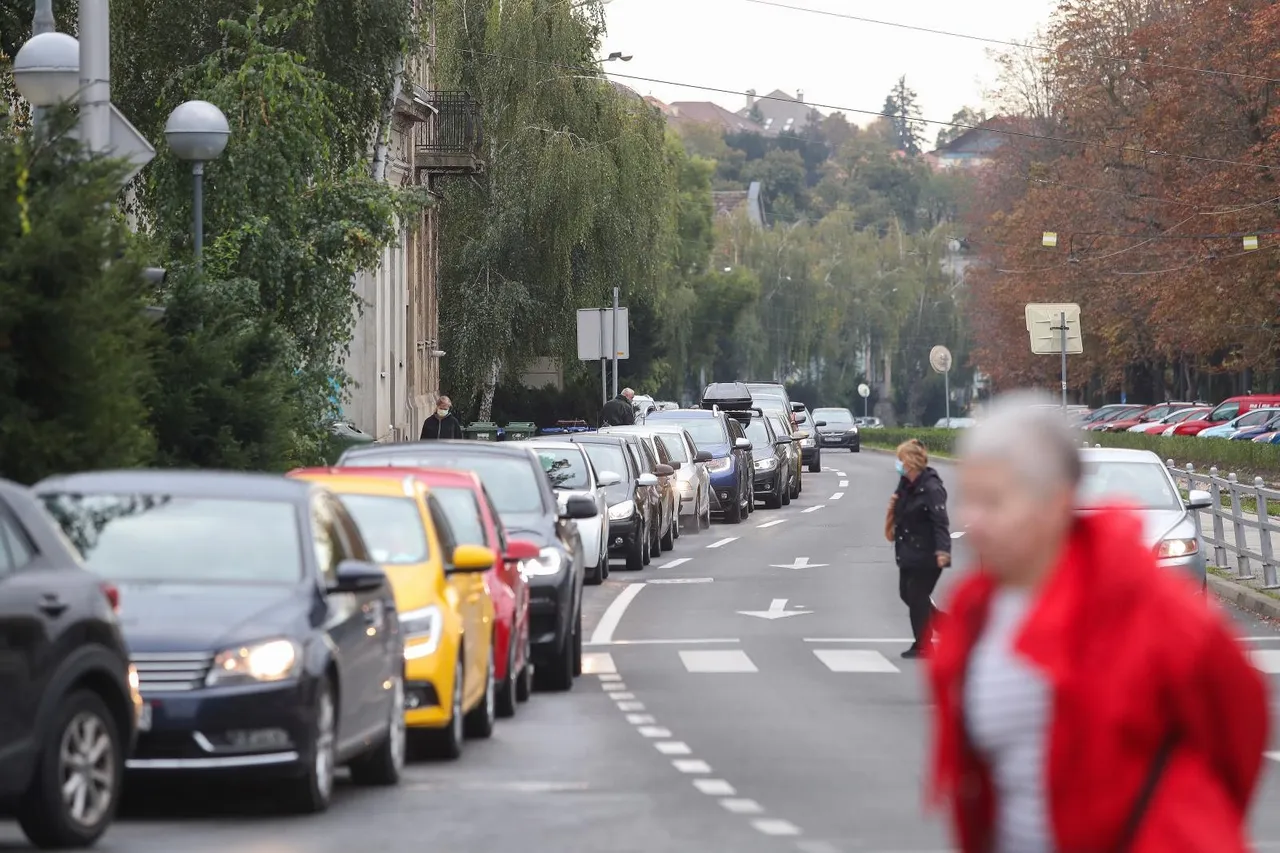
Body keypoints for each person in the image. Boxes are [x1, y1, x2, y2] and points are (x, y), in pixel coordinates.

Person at [926, 393, 1268, 853]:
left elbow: (1239, 727)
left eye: (994, 502)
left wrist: (1186, 820)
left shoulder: (1147, 607)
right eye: (970, 500)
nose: (973, 521)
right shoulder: (974, 616)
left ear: (1056, 502)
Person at [885, 438, 950, 659]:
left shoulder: (932, 488)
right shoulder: (906, 484)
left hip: (928, 553)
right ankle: (945, 625)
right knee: (907, 594)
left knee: (917, 595)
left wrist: (943, 551)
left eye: (901, 460)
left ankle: (923, 644)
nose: (899, 464)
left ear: (910, 462)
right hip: (907, 551)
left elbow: (940, 521)